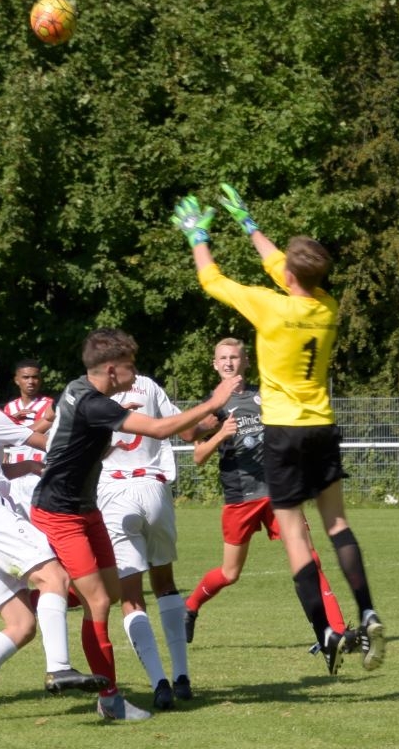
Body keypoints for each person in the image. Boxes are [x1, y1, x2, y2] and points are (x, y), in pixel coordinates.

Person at [174, 185, 384, 674]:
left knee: (293, 535)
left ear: (289, 275)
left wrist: (198, 236)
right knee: (336, 525)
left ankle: (325, 630)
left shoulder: (272, 308)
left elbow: (212, 280)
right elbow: (284, 267)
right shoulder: (327, 307)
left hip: (284, 431)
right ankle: (367, 609)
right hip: (323, 427)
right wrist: (249, 225)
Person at [28, 327, 238, 721]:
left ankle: (103, 684)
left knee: (108, 595)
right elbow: (160, 429)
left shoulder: (75, 387)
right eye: (129, 368)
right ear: (111, 371)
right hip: (60, 513)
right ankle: (106, 697)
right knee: (100, 601)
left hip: (89, 508)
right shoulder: (95, 404)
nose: (134, 375)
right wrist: (215, 399)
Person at [0, 350, 108, 722]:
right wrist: (97, 422)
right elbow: (48, 442)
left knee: (21, 625)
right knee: (53, 576)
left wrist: (23, 465)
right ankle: (59, 667)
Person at [181, 338, 347, 655]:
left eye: (234, 357)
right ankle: (190, 607)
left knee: (310, 559)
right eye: (223, 358)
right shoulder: (214, 406)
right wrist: (220, 433)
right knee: (230, 573)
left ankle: (335, 630)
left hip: (278, 494)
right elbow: (197, 453)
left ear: (246, 361)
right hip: (240, 498)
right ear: (215, 364)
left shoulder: (264, 397)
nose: (229, 362)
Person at [97, 372, 193, 710]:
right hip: (154, 488)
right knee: (165, 582)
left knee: (131, 595)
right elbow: (187, 429)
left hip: (113, 494)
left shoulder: (91, 388)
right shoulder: (148, 385)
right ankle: (182, 675)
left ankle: (159, 682)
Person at [1, 359, 53, 516]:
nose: (31, 381)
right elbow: (4, 444)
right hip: (15, 476)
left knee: (42, 528)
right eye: (25, 377)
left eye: (35, 377)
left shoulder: (50, 406)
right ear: (17, 380)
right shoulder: (9, 408)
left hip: (39, 474)